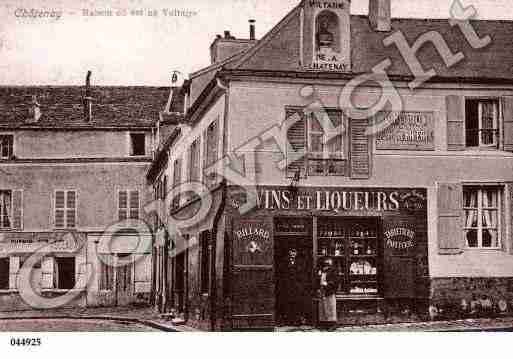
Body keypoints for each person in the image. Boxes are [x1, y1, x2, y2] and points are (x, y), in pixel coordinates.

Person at [316, 259, 338, 330]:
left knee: (331, 308)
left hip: (329, 292)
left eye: (327, 265)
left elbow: (335, 281)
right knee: (323, 308)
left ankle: (332, 324)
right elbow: (317, 280)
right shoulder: (321, 271)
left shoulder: (333, 271)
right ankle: (324, 323)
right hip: (322, 291)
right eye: (324, 265)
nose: (325, 267)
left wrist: (327, 284)